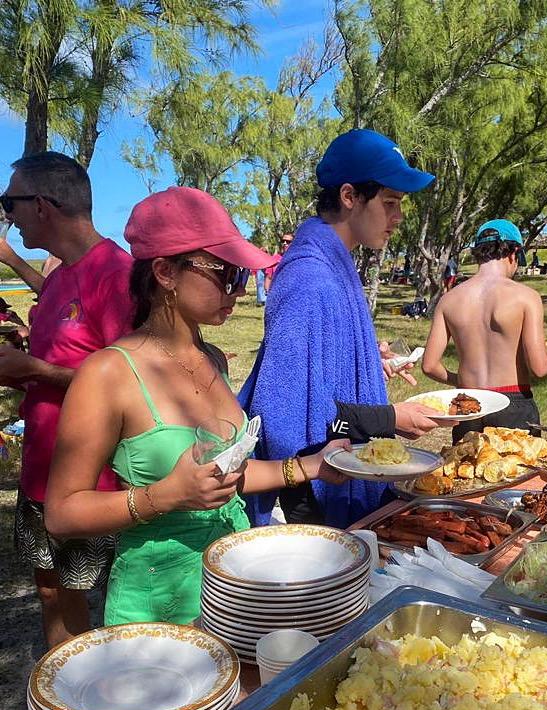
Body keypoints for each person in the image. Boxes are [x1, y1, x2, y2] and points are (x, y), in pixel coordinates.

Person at [45, 186, 348, 626]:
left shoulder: (212, 359)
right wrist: (163, 496)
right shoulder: (108, 373)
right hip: (157, 608)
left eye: (242, 277)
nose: (239, 290)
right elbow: (61, 513)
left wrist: (309, 467)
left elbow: (223, 477)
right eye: (227, 274)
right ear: (166, 272)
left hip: (234, 587)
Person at [238, 128, 449, 528]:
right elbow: (286, 414)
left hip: (334, 469)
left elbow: (316, 373)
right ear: (349, 196)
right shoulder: (309, 280)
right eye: (389, 202)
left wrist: (367, 361)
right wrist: (390, 419)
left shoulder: (334, 267)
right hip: (314, 496)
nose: (398, 217)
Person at [0, 151, 135, 648]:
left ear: (41, 205)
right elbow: (67, 365)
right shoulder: (58, 278)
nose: (7, 215)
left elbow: (130, 383)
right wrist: (21, 372)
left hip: (91, 481)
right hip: (40, 468)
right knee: (50, 589)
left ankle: (101, 703)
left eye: (8, 202)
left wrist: (34, 369)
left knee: (100, 599)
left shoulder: (115, 274)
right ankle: (65, 693)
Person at [422, 219, 547, 444]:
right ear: (513, 253)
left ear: (479, 253)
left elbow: (429, 366)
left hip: (469, 403)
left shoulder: (449, 300)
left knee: (467, 475)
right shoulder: (526, 297)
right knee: (518, 475)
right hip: (513, 401)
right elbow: (538, 367)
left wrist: (460, 379)